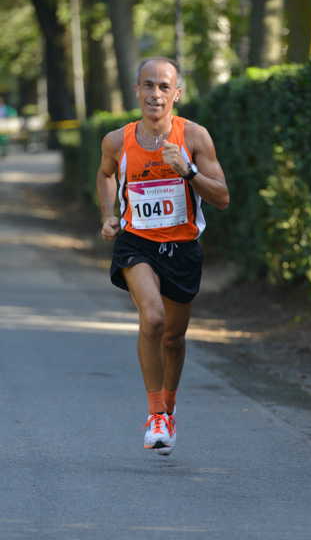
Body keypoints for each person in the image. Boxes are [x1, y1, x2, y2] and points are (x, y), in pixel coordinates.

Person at [97, 56, 229, 456]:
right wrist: (109, 215)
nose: (156, 94)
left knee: (173, 337)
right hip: (136, 243)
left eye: (164, 87)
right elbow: (105, 174)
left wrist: (187, 170)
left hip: (183, 248)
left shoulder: (195, 137)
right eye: (148, 85)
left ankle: (168, 410)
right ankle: (155, 414)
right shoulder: (117, 140)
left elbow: (222, 197)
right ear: (136, 90)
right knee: (152, 318)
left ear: (177, 93)